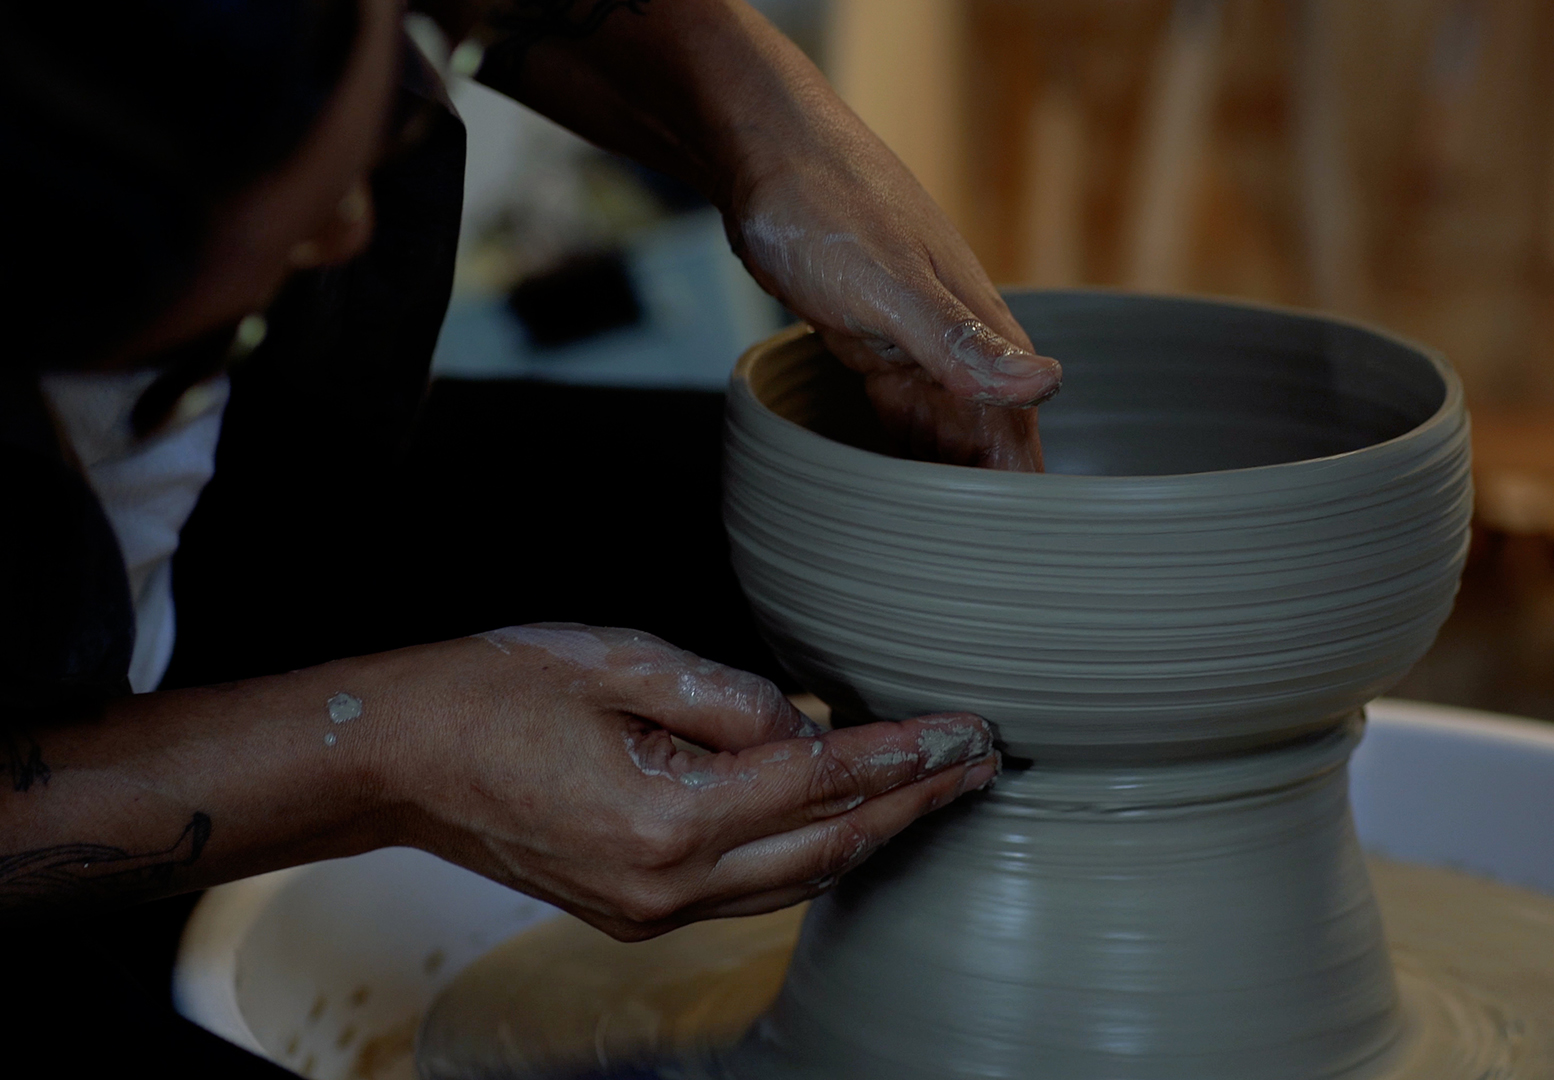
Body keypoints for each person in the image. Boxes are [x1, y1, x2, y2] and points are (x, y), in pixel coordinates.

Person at [0, 0, 1059, 1072]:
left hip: (258, 469)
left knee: (831, 523)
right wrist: (381, 756)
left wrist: (767, 127)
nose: (346, 230)